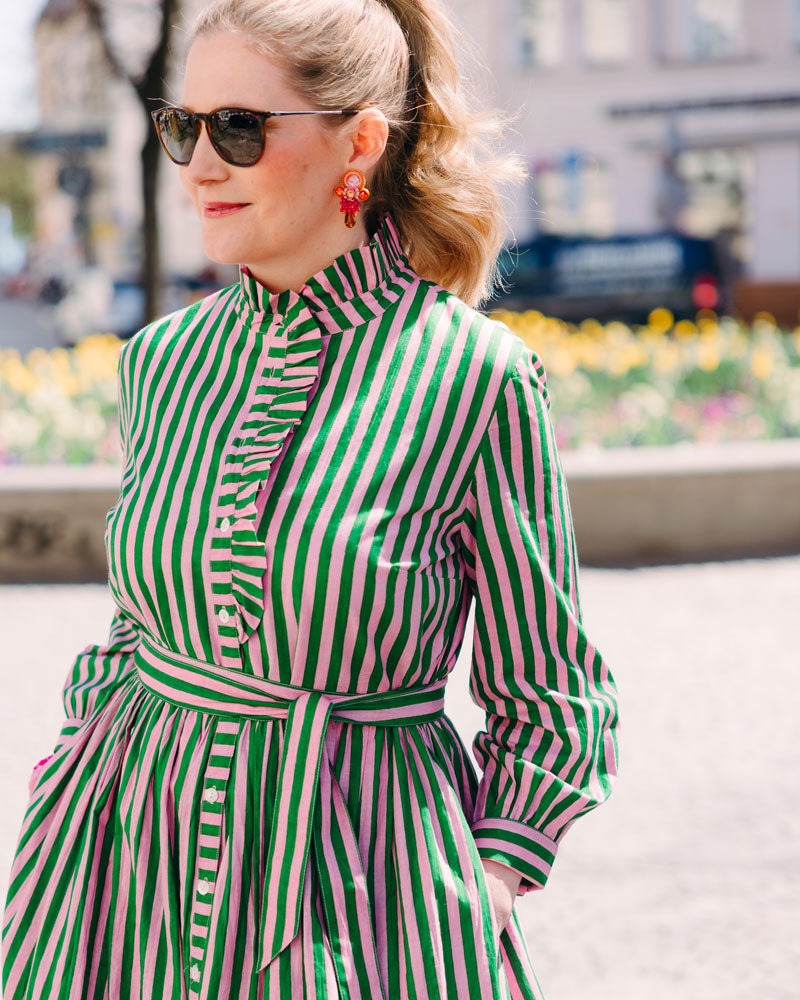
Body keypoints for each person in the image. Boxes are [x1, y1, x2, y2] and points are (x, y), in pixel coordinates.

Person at [2, 1, 621, 997]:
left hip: (365, 890)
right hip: (120, 876)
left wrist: (493, 876)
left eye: (240, 128)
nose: (201, 165)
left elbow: (549, 691)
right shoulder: (163, 362)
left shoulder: (474, 378)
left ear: (359, 144)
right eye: (182, 127)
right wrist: (73, 765)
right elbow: (136, 627)